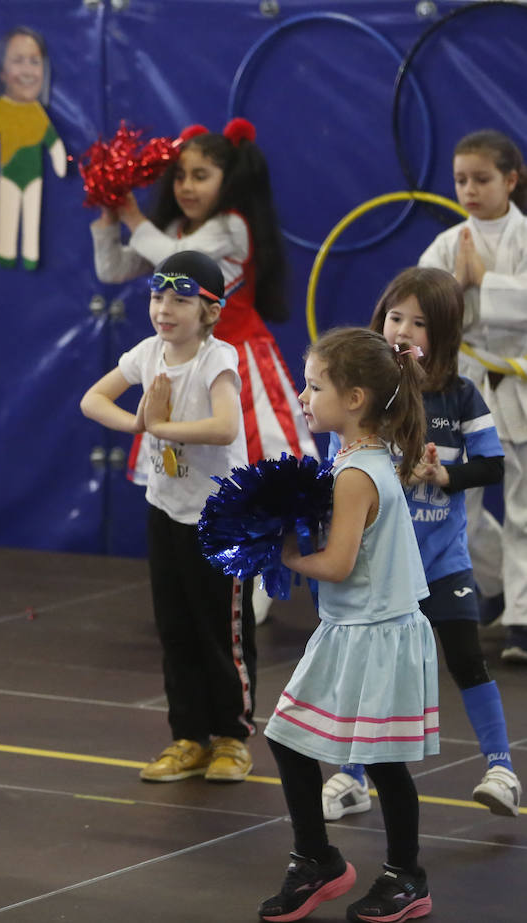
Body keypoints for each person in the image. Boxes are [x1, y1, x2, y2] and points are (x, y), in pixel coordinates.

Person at [92, 119, 314, 624]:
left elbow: (174, 263)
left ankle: (256, 575)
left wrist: (131, 212)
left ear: (227, 180)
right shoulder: (175, 231)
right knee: (191, 475)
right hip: (186, 368)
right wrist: (108, 217)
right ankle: (211, 574)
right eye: (180, 177)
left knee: (255, 470)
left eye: (201, 175)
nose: (187, 187)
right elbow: (113, 270)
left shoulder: (232, 227)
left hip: (240, 363)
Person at [316, 269, 518, 821]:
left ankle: (501, 768)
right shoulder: (367, 398)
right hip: (381, 570)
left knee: (466, 659)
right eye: (394, 317)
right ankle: (354, 776)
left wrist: (445, 477)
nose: (402, 330)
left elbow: (493, 465)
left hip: (443, 564)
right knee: (372, 672)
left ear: (445, 334)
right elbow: (336, 470)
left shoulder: (461, 394)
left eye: (420, 322)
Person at [259, 327, 437, 923]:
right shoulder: (358, 458)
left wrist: (283, 554)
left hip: (376, 633)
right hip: (351, 629)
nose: (304, 397)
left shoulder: (356, 473)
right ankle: (318, 861)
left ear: (355, 398)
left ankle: (405, 875)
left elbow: (336, 565)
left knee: (385, 760)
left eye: (314, 386)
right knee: (287, 736)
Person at [80, 251, 257, 784]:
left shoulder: (216, 359)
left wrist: (161, 427)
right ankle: (188, 736)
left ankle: (232, 736)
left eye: (181, 300)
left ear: (209, 311)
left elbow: (225, 427)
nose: (165, 309)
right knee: (175, 626)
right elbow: (93, 400)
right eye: (158, 297)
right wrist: (140, 424)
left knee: (221, 630)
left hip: (221, 515)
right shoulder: (147, 352)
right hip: (167, 509)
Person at [418, 129, 527, 662]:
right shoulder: (448, 243)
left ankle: (523, 624)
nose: (469, 189)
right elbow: (419, 307)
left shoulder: (525, 238)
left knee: (523, 509)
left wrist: (488, 280)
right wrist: (458, 286)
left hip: (518, 384)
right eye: (461, 179)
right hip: (463, 389)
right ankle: (494, 586)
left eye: (481, 179)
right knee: (458, 499)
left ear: (510, 179)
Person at [0, 26, 68, 270]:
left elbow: (52, 141)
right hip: (8, 174)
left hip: (34, 179)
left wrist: (59, 159)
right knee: (8, 216)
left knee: (31, 217)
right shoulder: (2, 109)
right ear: (3, 73)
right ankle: (6, 252)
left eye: (34, 61)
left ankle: (30, 254)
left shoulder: (38, 112)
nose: (28, 69)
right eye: (18, 60)